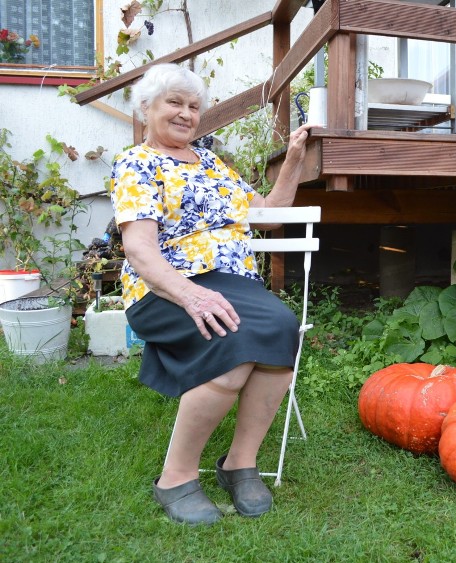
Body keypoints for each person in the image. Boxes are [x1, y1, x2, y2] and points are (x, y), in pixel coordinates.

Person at [110, 63, 315, 525]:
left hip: (233, 285)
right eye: (174, 103)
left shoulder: (213, 163)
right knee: (235, 341)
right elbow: (140, 250)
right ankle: (175, 477)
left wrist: (296, 157)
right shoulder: (136, 164)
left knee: (283, 330)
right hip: (164, 287)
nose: (186, 114)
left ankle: (239, 463)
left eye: (194, 106)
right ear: (147, 109)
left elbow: (269, 214)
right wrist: (191, 296)